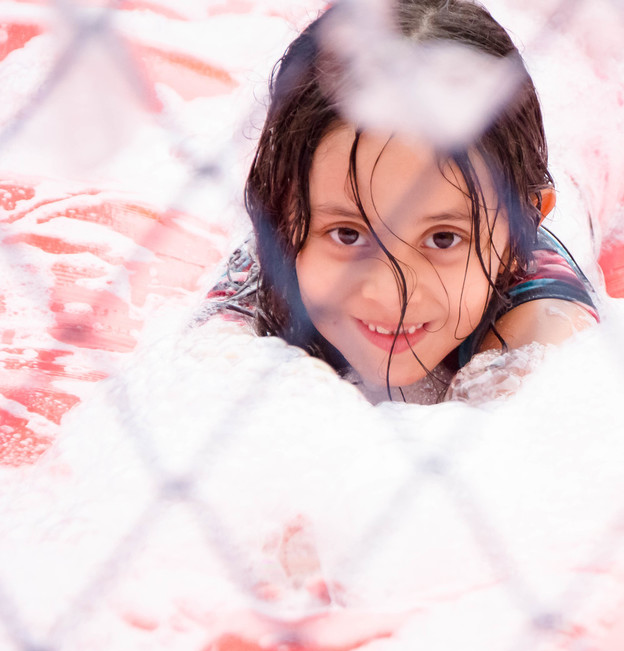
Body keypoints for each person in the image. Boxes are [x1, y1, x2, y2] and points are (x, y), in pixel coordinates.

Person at [201, 0, 601, 404]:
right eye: (347, 234)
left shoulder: (544, 331)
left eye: (443, 238)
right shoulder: (263, 279)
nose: (392, 294)